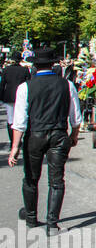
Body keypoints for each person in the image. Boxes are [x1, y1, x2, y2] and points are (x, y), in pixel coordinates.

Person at [8, 47, 82, 231]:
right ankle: (52, 224)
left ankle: (31, 218)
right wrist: (74, 135)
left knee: (31, 179)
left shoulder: (25, 87)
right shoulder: (67, 85)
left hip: (35, 135)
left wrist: (15, 147)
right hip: (58, 134)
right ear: (53, 64)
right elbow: (76, 117)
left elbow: (19, 122)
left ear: (35, 66)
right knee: (56, 181)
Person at [2, 53, 31, 148]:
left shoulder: (6, 70)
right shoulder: (25, 70)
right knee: (23, 117)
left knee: (11, 120)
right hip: (22, 97)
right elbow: (29, 83)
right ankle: (22, 139)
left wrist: (1, 97)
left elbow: (2, 85)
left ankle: (12, 142)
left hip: (9, 96)